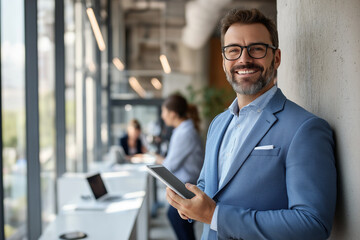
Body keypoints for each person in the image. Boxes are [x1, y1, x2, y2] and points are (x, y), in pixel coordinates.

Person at [165, 8, 337, 240]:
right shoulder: (218, 123)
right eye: (233, 50)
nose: (244, 59)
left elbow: (312, 224)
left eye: (256, 49)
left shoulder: (305, 128)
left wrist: (216, 215)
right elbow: (209, 184)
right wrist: (191, 202)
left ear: (276, 58)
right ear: (225, 61)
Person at [157, 94, 204, 240]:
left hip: (187, 187)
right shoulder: (182, 130)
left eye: (164, 112)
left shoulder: (185, 132)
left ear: (173, 114)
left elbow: (170, 165)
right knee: (178, 219)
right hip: (184, 185)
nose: (162, 116)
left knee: (176, 218)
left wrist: (157, 160)